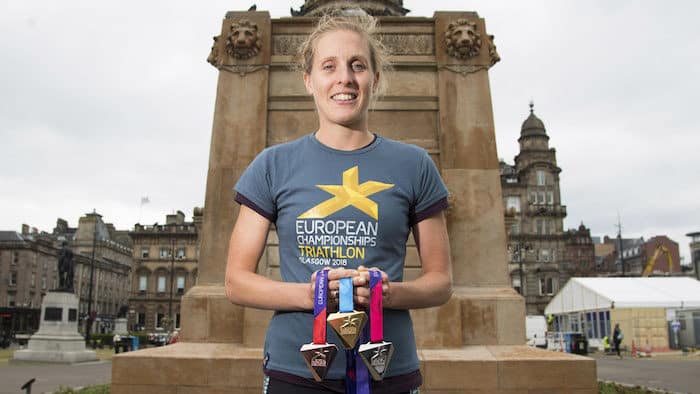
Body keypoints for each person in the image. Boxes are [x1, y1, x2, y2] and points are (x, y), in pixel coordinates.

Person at [224, 9, 452, 394]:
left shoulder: (415, 164)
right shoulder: (272, 165)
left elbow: (441, 282)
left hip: (389, 372)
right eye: (329, 66)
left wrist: (388, 293)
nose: (344, 78)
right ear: (309, 80)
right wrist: (310, 293)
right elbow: (236, 282)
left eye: (357, 65)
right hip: (295, 372)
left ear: (374, 79)